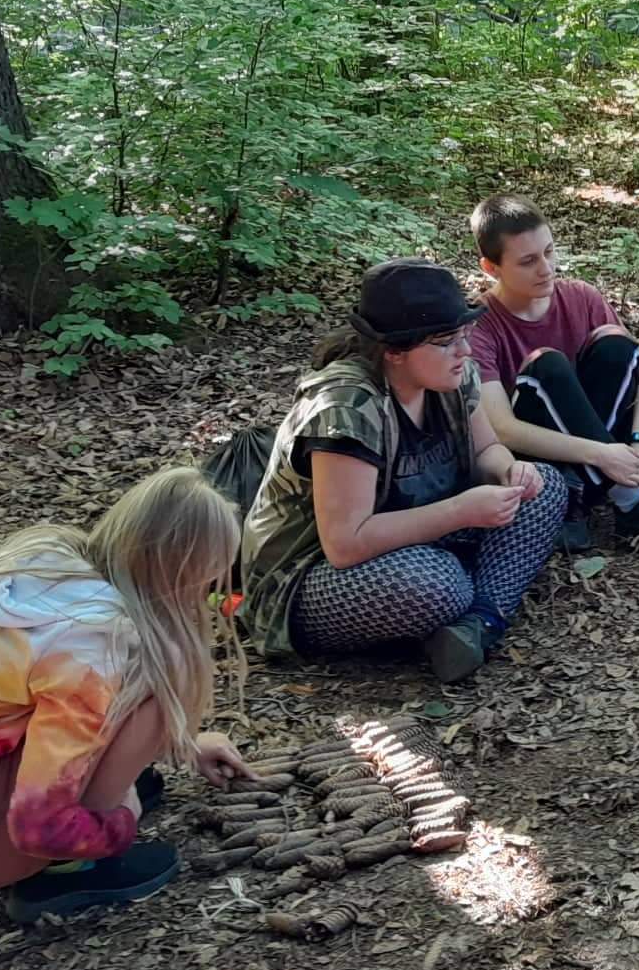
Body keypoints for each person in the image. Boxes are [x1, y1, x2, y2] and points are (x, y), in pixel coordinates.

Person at [0, 468, 252, 922]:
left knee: (144, 679)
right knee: (161, 679)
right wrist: (121, 820)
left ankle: (96, 803)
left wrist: (184, 746)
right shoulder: (88, 643)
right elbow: (38, 826)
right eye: (208, 579)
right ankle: (75, 868)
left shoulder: (53, 569)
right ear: (179, 573)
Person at [242, 259, 567, 684]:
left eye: (465, 334)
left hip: (418, 536)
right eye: (446, 341)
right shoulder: (347, 407)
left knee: (545, 486)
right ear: (394, 351)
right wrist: (461, 512)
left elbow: (487, 448)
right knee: (436, 585)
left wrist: (510, 470)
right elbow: (345, 544)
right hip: (305, 579)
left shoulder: (453, 375)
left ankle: (478, 623)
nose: (465, 351)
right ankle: (470, 604)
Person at [465, 195, 639, 552]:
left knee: (614, 342)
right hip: (536, 459)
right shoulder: (480, 325)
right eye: (528, 261)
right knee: (546, 365)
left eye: (549, 252)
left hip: (597, 443)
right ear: (491, 268)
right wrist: (601, 455)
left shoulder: (581, 297)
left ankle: (585, 495)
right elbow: (502, 429)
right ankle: (628, 499)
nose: (546, 268)